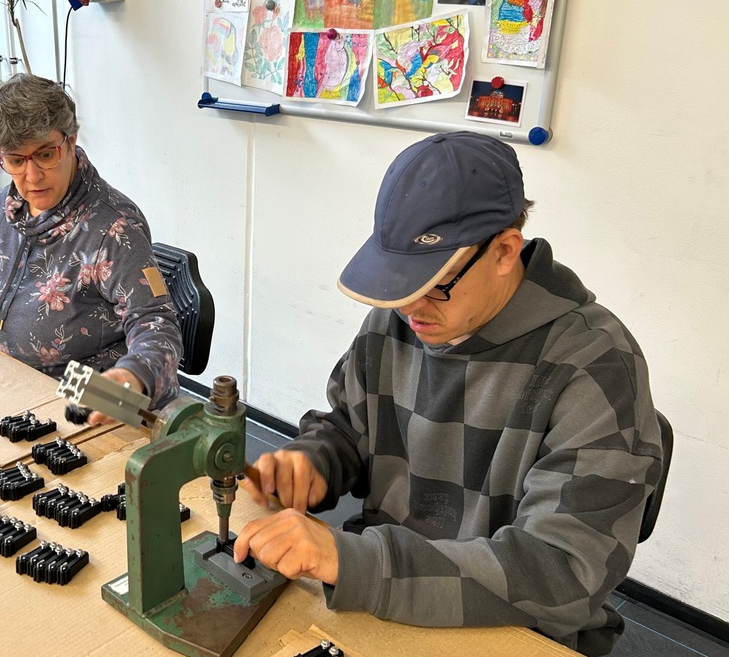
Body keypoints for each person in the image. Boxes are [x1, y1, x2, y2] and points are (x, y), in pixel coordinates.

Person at [235, 132, 662, 656]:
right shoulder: (399, 322)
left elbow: (561, 570)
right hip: (382, 596)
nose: (412, 308)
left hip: (515, 629)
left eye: (436, 281)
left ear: (505, 250)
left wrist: (356, 563)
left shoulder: (594, 366)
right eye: (400, 283)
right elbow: (348, 426)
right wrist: (310, 462)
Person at [0, 74, 181, 423]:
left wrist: (131, 377)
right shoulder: (10, 204)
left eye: (45, 154)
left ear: (71, 141)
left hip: (83, 392)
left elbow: (156, 322)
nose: (32, 176)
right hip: (11, 376)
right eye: (15, 160)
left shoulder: (114, 227)